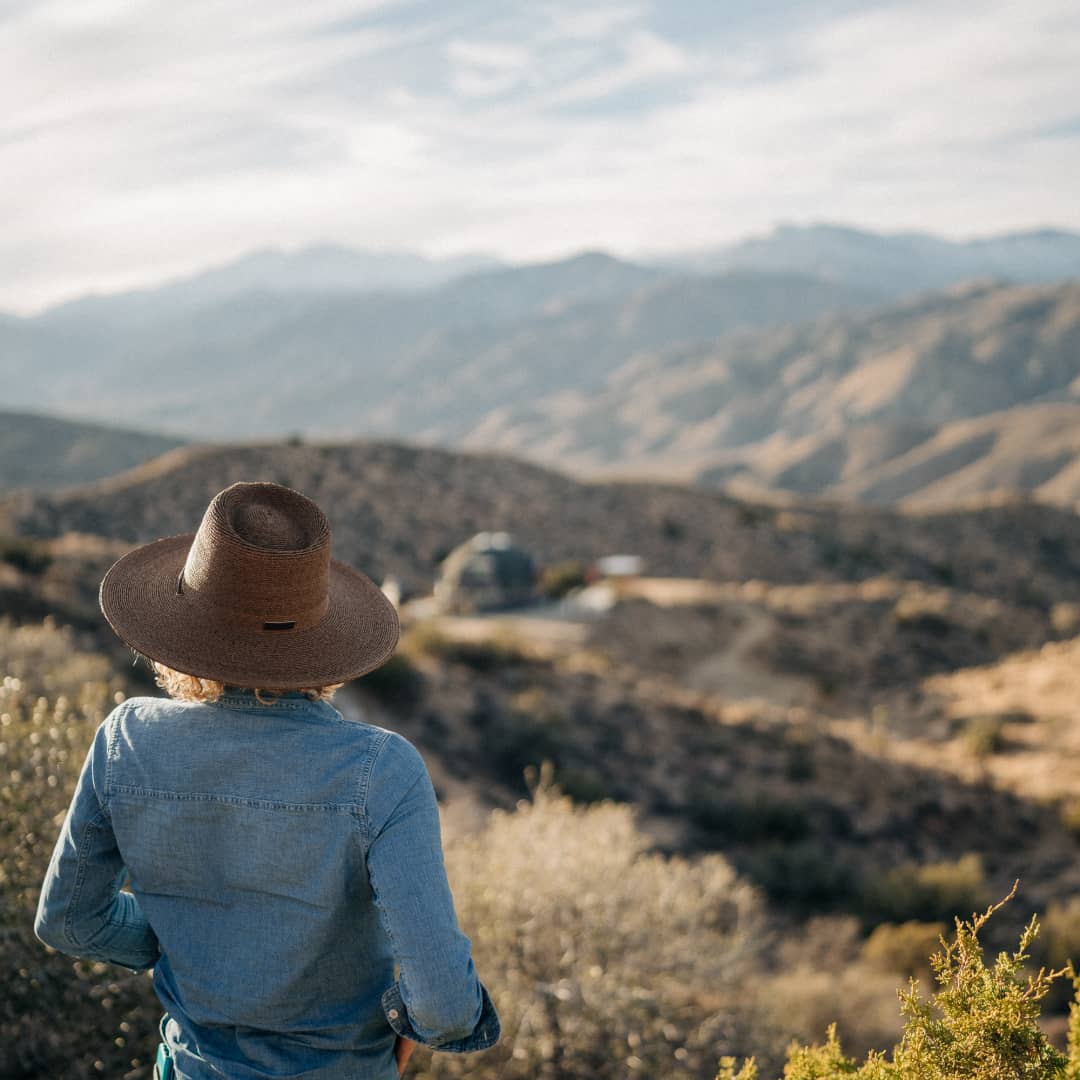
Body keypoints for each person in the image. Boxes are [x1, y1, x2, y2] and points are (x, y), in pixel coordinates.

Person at [34, 480, 500, 1079]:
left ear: (181, 630)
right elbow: (445, 1006)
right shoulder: (381, 771)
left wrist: (188, 942)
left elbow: (69, 921)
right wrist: (410, 1022)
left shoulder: (126, 740)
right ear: (321, 636)